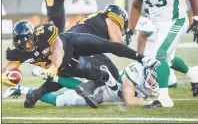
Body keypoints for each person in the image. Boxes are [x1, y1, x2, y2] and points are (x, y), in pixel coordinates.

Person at [2, 20, 158, 108]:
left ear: (34, 35)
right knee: (91, 74)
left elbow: (57, 49)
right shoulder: (14, 52)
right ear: (16, 43)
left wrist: (53, 67)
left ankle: (142, 58)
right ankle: (105, 80)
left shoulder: (45, 31)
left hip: (70, 44)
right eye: (23, 44)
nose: (28, 45)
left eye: (30, 40)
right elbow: (8, 69)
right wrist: (5, 77)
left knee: (106, 45)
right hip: (66, 65)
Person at [125, 0, 198, 108]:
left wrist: (197, 19)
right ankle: (193, 73)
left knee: (159, 55)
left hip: (175, 19)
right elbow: (136, 5)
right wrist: (130, 29)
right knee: (168, 60)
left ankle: (164, 98)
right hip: (157, 22)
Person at [3, 62, 159, 108]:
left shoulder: (135, 80)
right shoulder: (129, 80)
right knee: (84, 87)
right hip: (101, 84)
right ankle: (51, 75)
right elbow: (130, 101)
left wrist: (146, 99)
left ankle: (20, 89)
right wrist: (149, 103)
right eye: (151, 78)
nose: (153, 82)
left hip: (100, 97)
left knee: (57, 102)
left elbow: (132, 99)